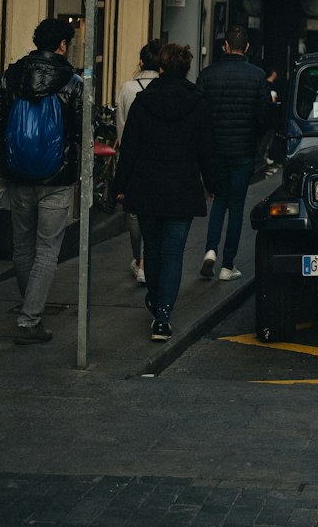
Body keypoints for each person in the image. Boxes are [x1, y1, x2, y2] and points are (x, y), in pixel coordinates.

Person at [0, 17, 83, 344]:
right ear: (61, 45)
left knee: (23, 246)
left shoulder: (11, 76)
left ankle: (31, 309)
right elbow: (83, 131)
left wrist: (15, 148)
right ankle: (30, 320)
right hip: (57, 178)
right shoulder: (72, 82)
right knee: (47, 249)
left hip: (18, 175)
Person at [114, 43, 217, 342]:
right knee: (173, 253)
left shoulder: (144, 103)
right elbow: (206, 151)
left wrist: (118, 186)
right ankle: (162, 318)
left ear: (160, 68)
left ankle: (156, 299)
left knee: (154, 250)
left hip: (146, 186)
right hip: (182, 187)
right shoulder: (198, 103)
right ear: (186, 69)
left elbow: (130, 149)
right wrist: (213, 185)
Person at [195, 25, 273, 281]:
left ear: (225, 46)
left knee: (219, 200)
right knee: (237, 206)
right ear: (247, 47)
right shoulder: (257, 76)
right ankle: (228, 265)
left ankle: (210, 250)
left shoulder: (207, 75)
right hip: (243, 150)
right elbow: (264, 117)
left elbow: (200, 115)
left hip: (216, 151)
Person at [115, 38, 161, 285]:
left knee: (133, 213)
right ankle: (147, 260)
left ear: (141, 61)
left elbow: (121, 126)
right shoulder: (165, 87)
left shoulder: (127, 88)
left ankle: (138, 259)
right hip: (159, 158)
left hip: (134, 158)